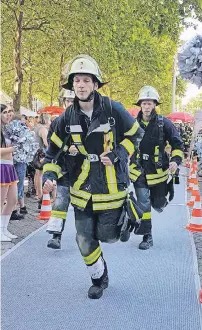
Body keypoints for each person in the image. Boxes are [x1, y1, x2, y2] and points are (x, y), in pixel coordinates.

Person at [43, 55, 143, 299]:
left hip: (111, 186)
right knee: (84, 239)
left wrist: (120, 152)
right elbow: (52, 153)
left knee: (109, 236)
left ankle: (129, 216)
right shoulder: (66, 118)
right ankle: (99, 278)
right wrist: (49, 175)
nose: (80, 84)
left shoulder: (113, 109)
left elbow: (136, 136)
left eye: (86, 80)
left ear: (95, 84)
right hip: (82, 188)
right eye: (76, 80)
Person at [129, 86, 184, 250]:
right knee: (143, 203)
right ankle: (147, 236)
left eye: (150, 103)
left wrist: (175, 160)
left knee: (158, 204)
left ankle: (160, 201)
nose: (146, 106)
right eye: (144, 103)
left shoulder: (164, 123)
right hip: (138, 170)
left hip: (158, 173)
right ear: (140, 105)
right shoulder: (132, 123)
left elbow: (177, 144)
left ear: (154, 105)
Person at [46, 89, 75, 249]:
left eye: (73, 101)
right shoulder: (57, 122)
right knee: (61, 201)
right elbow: (52, 145)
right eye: (68, 101)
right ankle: (56, 236)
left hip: (84, 171)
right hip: (64, 169)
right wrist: (66, 149)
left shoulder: (88, 120)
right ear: (64, 102)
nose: (70, 104)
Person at [0, 104, 19, 242]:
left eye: (9, 112)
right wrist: (14, 148)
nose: (8, 114)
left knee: (13, 200)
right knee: (0, 202)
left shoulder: (8, 129)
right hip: (1, 167)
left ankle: (4, 228)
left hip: (10, 167)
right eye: (4, 112)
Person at [33, 113, 51, 208]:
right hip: (41, 154)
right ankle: (40, 194)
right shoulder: (43, 129)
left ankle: (37, 193)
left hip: (36, 152)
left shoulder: (37, 127)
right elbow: (46, 143)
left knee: (37, 174)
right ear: (47, 120)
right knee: (40, 175)